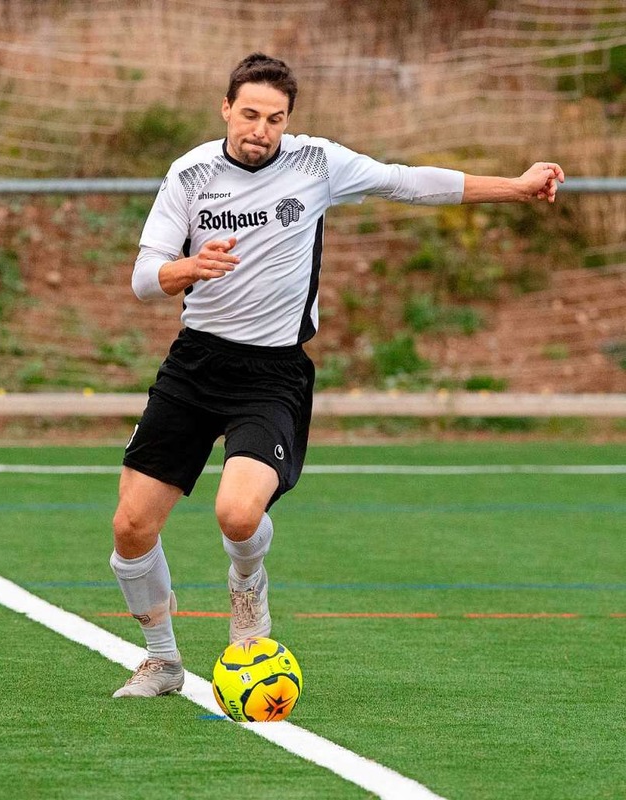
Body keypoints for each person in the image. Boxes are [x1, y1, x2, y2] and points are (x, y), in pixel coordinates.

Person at [110, 52, 565, 697]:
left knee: (238, 514)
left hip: (272, 372)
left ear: (288, 121)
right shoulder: (189, 175)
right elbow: (142, 278)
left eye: (275, 118)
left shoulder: (315, 164)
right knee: (131, 528)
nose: (260, 129)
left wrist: (514, 187)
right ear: (225, 110)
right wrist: (188, 268)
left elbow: (406, 182)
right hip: (194, 362)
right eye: (248, 114)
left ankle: (248, 604)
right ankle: (162, 660)